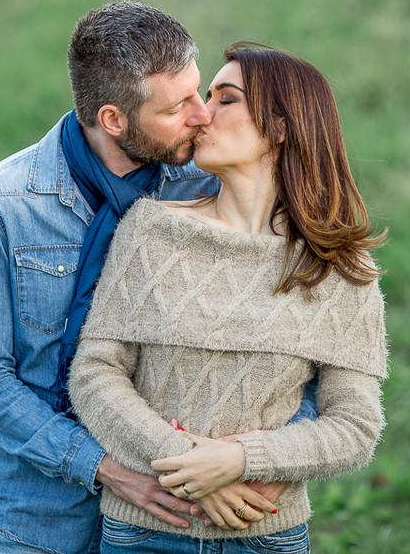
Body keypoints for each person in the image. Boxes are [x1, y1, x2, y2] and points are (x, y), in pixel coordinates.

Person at [0, 3, 311, 554]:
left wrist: (275, 455)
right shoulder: (5, 204)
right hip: (32, 518)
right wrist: (107, 469)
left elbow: (295, 343)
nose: (202, 115)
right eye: (177, 108)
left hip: (174, 519)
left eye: (200, 92)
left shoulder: (206, 188)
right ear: (114, 119)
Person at [68, 44, 388, 553]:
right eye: (204, 96)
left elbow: (355, 426)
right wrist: (187, 464)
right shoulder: (151, 231)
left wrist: (240, 460)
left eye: (225, 99)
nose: (201, 115)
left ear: (281, 127)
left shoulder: (339, 267)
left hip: (265, 536)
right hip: (145, 533)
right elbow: (95, 373)